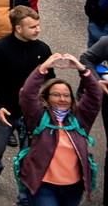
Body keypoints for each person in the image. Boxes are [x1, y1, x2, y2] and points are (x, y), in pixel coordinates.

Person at [0, 5, 50, 197]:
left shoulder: (43, 50)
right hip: (4, 112)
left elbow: (49, 81)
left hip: (31, 114)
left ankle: (25, 191)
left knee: (30, 153)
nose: (38, 30)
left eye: (38, 25)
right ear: (18, 28)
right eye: (32, 27)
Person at [17, 54, 101, 206]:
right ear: (46, 97)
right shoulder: (38, 117)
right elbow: (27, 94)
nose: (62, 99)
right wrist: (43, 68)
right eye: (56, 95)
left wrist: (82, 70)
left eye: (66, 95)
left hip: (73, 189)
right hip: (43, 186)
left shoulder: (80, 120)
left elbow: (95, 96)